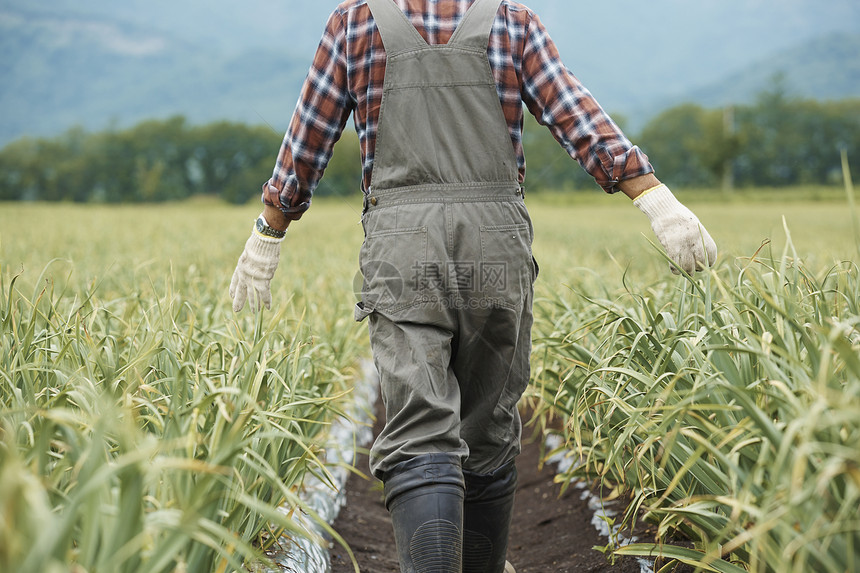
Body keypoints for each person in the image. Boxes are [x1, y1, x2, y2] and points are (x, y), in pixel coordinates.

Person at [229, 1, 717, 572]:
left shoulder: (355, 22)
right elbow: (574, 115)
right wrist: (655, 199)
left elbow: (308, 138)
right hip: (495, 244)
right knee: (486, 428)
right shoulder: (511, 21)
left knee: (418, 428)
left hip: (402, 246)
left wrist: (269, 232)